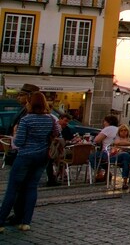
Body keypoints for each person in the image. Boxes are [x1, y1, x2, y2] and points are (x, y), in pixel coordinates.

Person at [0, 92, 60, 232]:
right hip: (42, 156)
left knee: (12, 189)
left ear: (30, 103)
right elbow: (57, 133)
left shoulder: (27, 120)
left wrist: (15, 134)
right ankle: (26, 222)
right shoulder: (50, 119)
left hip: (25, 156)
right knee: (32, 187)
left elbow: (19, 142)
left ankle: (1, 221)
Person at [45, 113, 76, 187]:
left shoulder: (65, 128)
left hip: (59, 149)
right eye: (65, 120)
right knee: (58, 159)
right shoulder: (56, 126)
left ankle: (58, 176)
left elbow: (70, 138)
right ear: (60, 119)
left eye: (68, 121)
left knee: (61, 158)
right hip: (54, 149)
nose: (66, 123)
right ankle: (60, 175)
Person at [89, 115, 120, 183]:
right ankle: (107, 172)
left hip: (107, 152)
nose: (104, 123)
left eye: (105, 121)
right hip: (117, 153)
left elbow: (97, 140)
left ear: (108, 122)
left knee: (92, 157)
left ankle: (99, 173)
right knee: (101, 158)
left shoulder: (108, 129)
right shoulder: (118, 129)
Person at [107, 125, 130, 190]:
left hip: (124, 159)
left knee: (126, 161)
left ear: (128, 132)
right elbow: (118, 143)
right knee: (126, 155)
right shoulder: (116, 138)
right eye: (121, 130)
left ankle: (125, 183)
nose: (123, 132)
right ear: (119, 132)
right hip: (115, 157)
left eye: (125, 130)